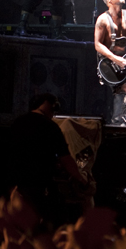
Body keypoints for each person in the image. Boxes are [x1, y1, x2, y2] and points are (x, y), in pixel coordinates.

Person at [8, 93, 87, 222]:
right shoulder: (50, 127)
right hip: (39, 188)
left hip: (17, 187)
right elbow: (66, 159)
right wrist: (82, 180)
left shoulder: (17, 122)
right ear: (50, 105)